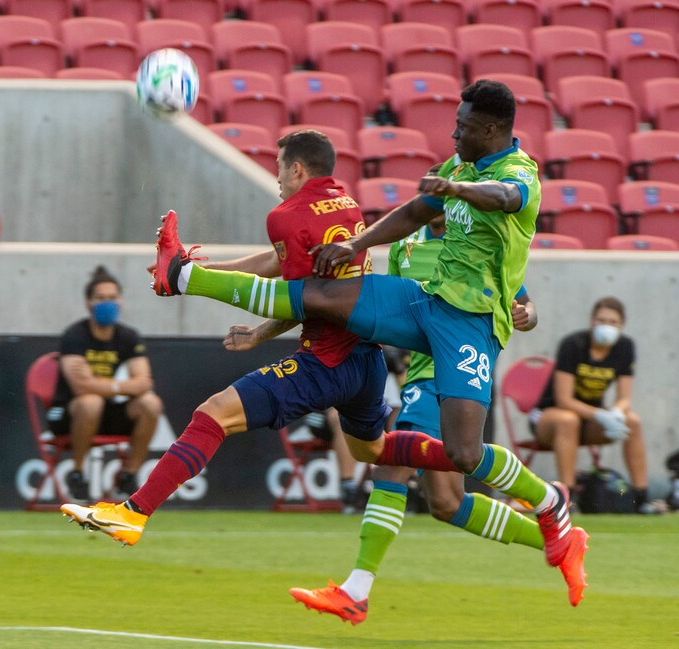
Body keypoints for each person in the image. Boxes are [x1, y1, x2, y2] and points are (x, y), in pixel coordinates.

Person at [65, 83, 590, 599]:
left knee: (461, 455)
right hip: (418, 308)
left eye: (463, 125)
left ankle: (549, 506)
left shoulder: (516, 174)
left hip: (468, 327)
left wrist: (460, 199)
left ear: (492, 129)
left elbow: (505, 200)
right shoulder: (447, 186)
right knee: (325, 308)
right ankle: (181, 276)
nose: (453, 133)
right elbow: (412, 214)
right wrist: (356, 245)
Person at [284, 210, 562, 623]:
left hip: (453, 371)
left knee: (392, 465)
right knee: (446, 503)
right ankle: (557, 535)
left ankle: (356, 591)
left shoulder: (475, 244)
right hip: (419, 373)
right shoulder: (402, 248)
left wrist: (527, 314)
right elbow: (393, 309)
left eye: (439, 196)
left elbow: (525, 302)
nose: (432, 204)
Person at [530, 296, 660, 515]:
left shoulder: (625, 347)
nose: (606, 326)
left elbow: (624, 396)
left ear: (622, 325)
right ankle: (567, 499)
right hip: (550, 418)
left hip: (589, 421)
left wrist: (617, 411)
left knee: (632, 421)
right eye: (601, 320)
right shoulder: (573, 344)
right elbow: (564, 400)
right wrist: (601, 414)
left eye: (613, 322)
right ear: (591, 321)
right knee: (568, 420)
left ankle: (641, 498)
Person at [46, 265, 163, 500]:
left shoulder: (128, 336)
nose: (107, 303)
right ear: (88, 303)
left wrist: (102, 384)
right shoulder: (75, 335)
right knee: (91, 402)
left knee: (150, 404)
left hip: (111, 412)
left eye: (112, 298)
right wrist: (120, 387)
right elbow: (80, 387)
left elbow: (143, 382)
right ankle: (78, 473)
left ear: (120, 301)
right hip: (71, 414)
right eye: (100, 298)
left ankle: (129, 475)